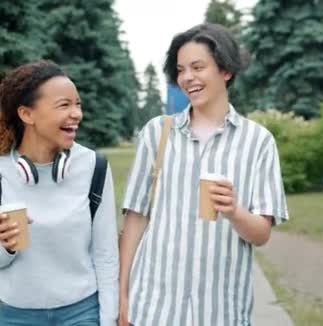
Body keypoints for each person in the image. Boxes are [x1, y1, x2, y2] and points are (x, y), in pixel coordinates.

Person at [118, 23, 289, 326]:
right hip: (153, 308)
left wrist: (235, 211)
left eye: (198, 67)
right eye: (181, 70)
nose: (187, 78)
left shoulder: (258, 142)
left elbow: (261, 235)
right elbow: (135, 219)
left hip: (221, 310)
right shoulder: (157, 133)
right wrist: (123, 295)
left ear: (226, 70)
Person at [0, 60, 119, 325]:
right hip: (16, 315)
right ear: (27, 114)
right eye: (64, 105)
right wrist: (5, 246)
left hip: (81, 313)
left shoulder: (94, 167)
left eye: (78, 104)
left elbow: (106, 254)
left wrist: (108, 319)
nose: (76, 113)